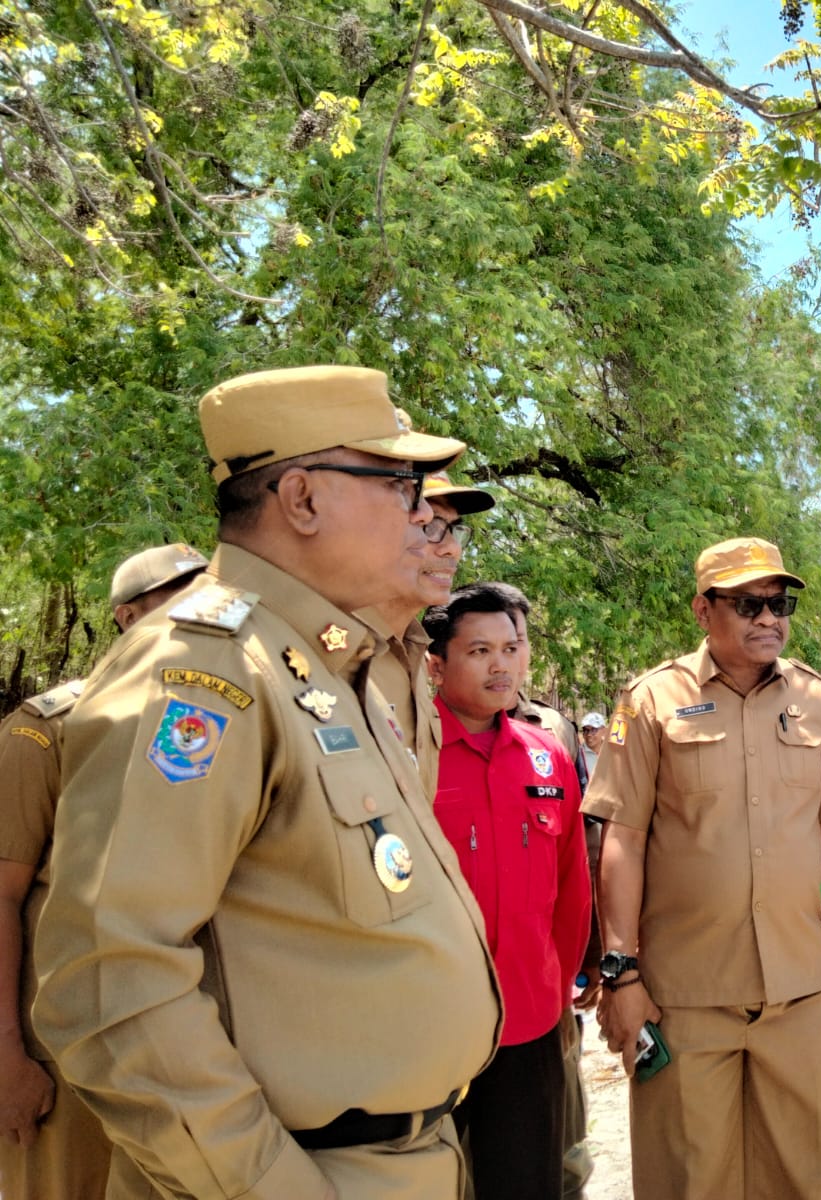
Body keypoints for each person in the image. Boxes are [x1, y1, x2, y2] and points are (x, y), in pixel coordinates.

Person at [32, 365, 502, 1200]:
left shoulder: (325, 665)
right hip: (297, 1172)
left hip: (405, 1156)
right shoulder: (203, 666)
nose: (423, 509)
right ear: (302, 499)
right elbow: (110, 977)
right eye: (397, 482)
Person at [582, 536, 821, 1200]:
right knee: (690, 1179)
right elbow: (620, 838)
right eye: (748, 604)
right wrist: (621, 970)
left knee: (804, 1178)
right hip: (684, 994)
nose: (769, 618)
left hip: (797, 990)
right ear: (702, 610)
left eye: (780, 603)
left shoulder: (813, 697)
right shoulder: (651, 701)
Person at [0, 542, 208, 1200]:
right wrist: (7, 1056)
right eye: (176, 604)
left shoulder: (214, 725)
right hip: (69, 1045)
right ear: (125, 619)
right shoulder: (47, 731)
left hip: (184, 1043)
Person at [424, 582, 591, 1200]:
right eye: (479, 651)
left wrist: (559, 983)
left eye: (513, 647)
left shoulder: (546, 755)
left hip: (529, 1019)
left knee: (527, 1182)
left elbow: (573, 890)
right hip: (428, 1023)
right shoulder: (406, 753)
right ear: (436, 663)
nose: (502, 665)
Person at [365, 466, 495, 797]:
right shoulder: (335, 654)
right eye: (431, 526)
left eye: (454, 530)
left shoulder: (413, 656)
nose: (453, 548)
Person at [579, 711, 605, 779]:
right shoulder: (579, 755)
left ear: (603, 731)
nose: (589, 734)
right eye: (586, 730)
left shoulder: (611, 752)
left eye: (593, 730)